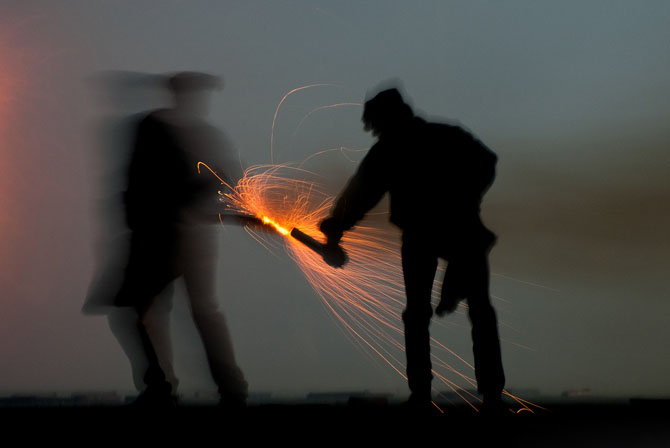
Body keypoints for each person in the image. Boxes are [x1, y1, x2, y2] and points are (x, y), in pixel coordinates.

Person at [319, 86, 505, 411]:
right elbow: (360, 195)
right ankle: (489, 396)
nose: (374, 130)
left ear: (387, 119)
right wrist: (336, 225)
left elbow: (360, 196)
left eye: (375, 123)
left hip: (439, 232)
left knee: (421, 314)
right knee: (472, 311)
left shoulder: (392, 150)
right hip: (453, 231)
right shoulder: (438, 138)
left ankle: (423, 396)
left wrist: (337, 227)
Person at [113, 71, 248, 408]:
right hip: (190, 238)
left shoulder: (152, 128)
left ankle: (161, 386)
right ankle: (229, 388)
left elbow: (141, 184)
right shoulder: (199, 135)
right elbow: (227, 182)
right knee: (199, 311)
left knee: (143, 311)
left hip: (166, 239)